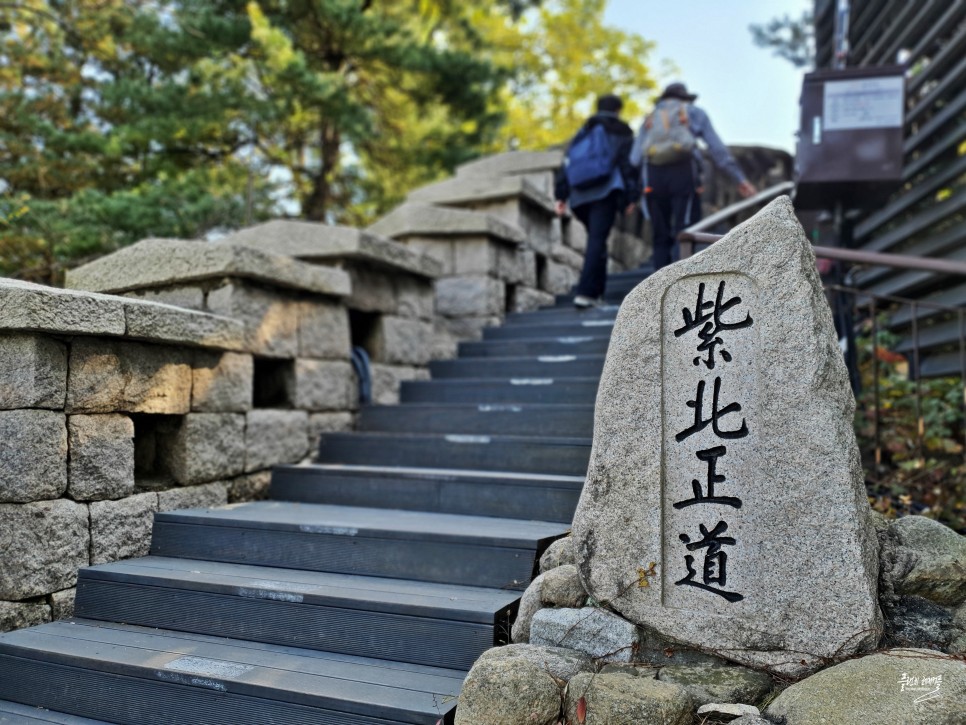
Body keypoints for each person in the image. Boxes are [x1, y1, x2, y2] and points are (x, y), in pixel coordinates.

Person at [631, 82, 757, 271]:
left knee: (660, 235)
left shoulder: (650, 117)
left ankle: (656, 290)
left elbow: (634, 158)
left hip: (653, 177)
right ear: (685, 98)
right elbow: (717, 149)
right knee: (685, 231)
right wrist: (739, 178)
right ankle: (680, 282)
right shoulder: (694, 112)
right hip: (683, 174)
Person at [554, 94, 640, 308]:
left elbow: (568, 162)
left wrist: (560, 195)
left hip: (579, 195)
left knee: (596, 240)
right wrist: (631, 196)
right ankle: (585, 293)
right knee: (597, 241)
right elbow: (627, 165)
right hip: (605, 191)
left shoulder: (585, 129)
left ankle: (597, 292)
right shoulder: (622, 131)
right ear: (618, 110)